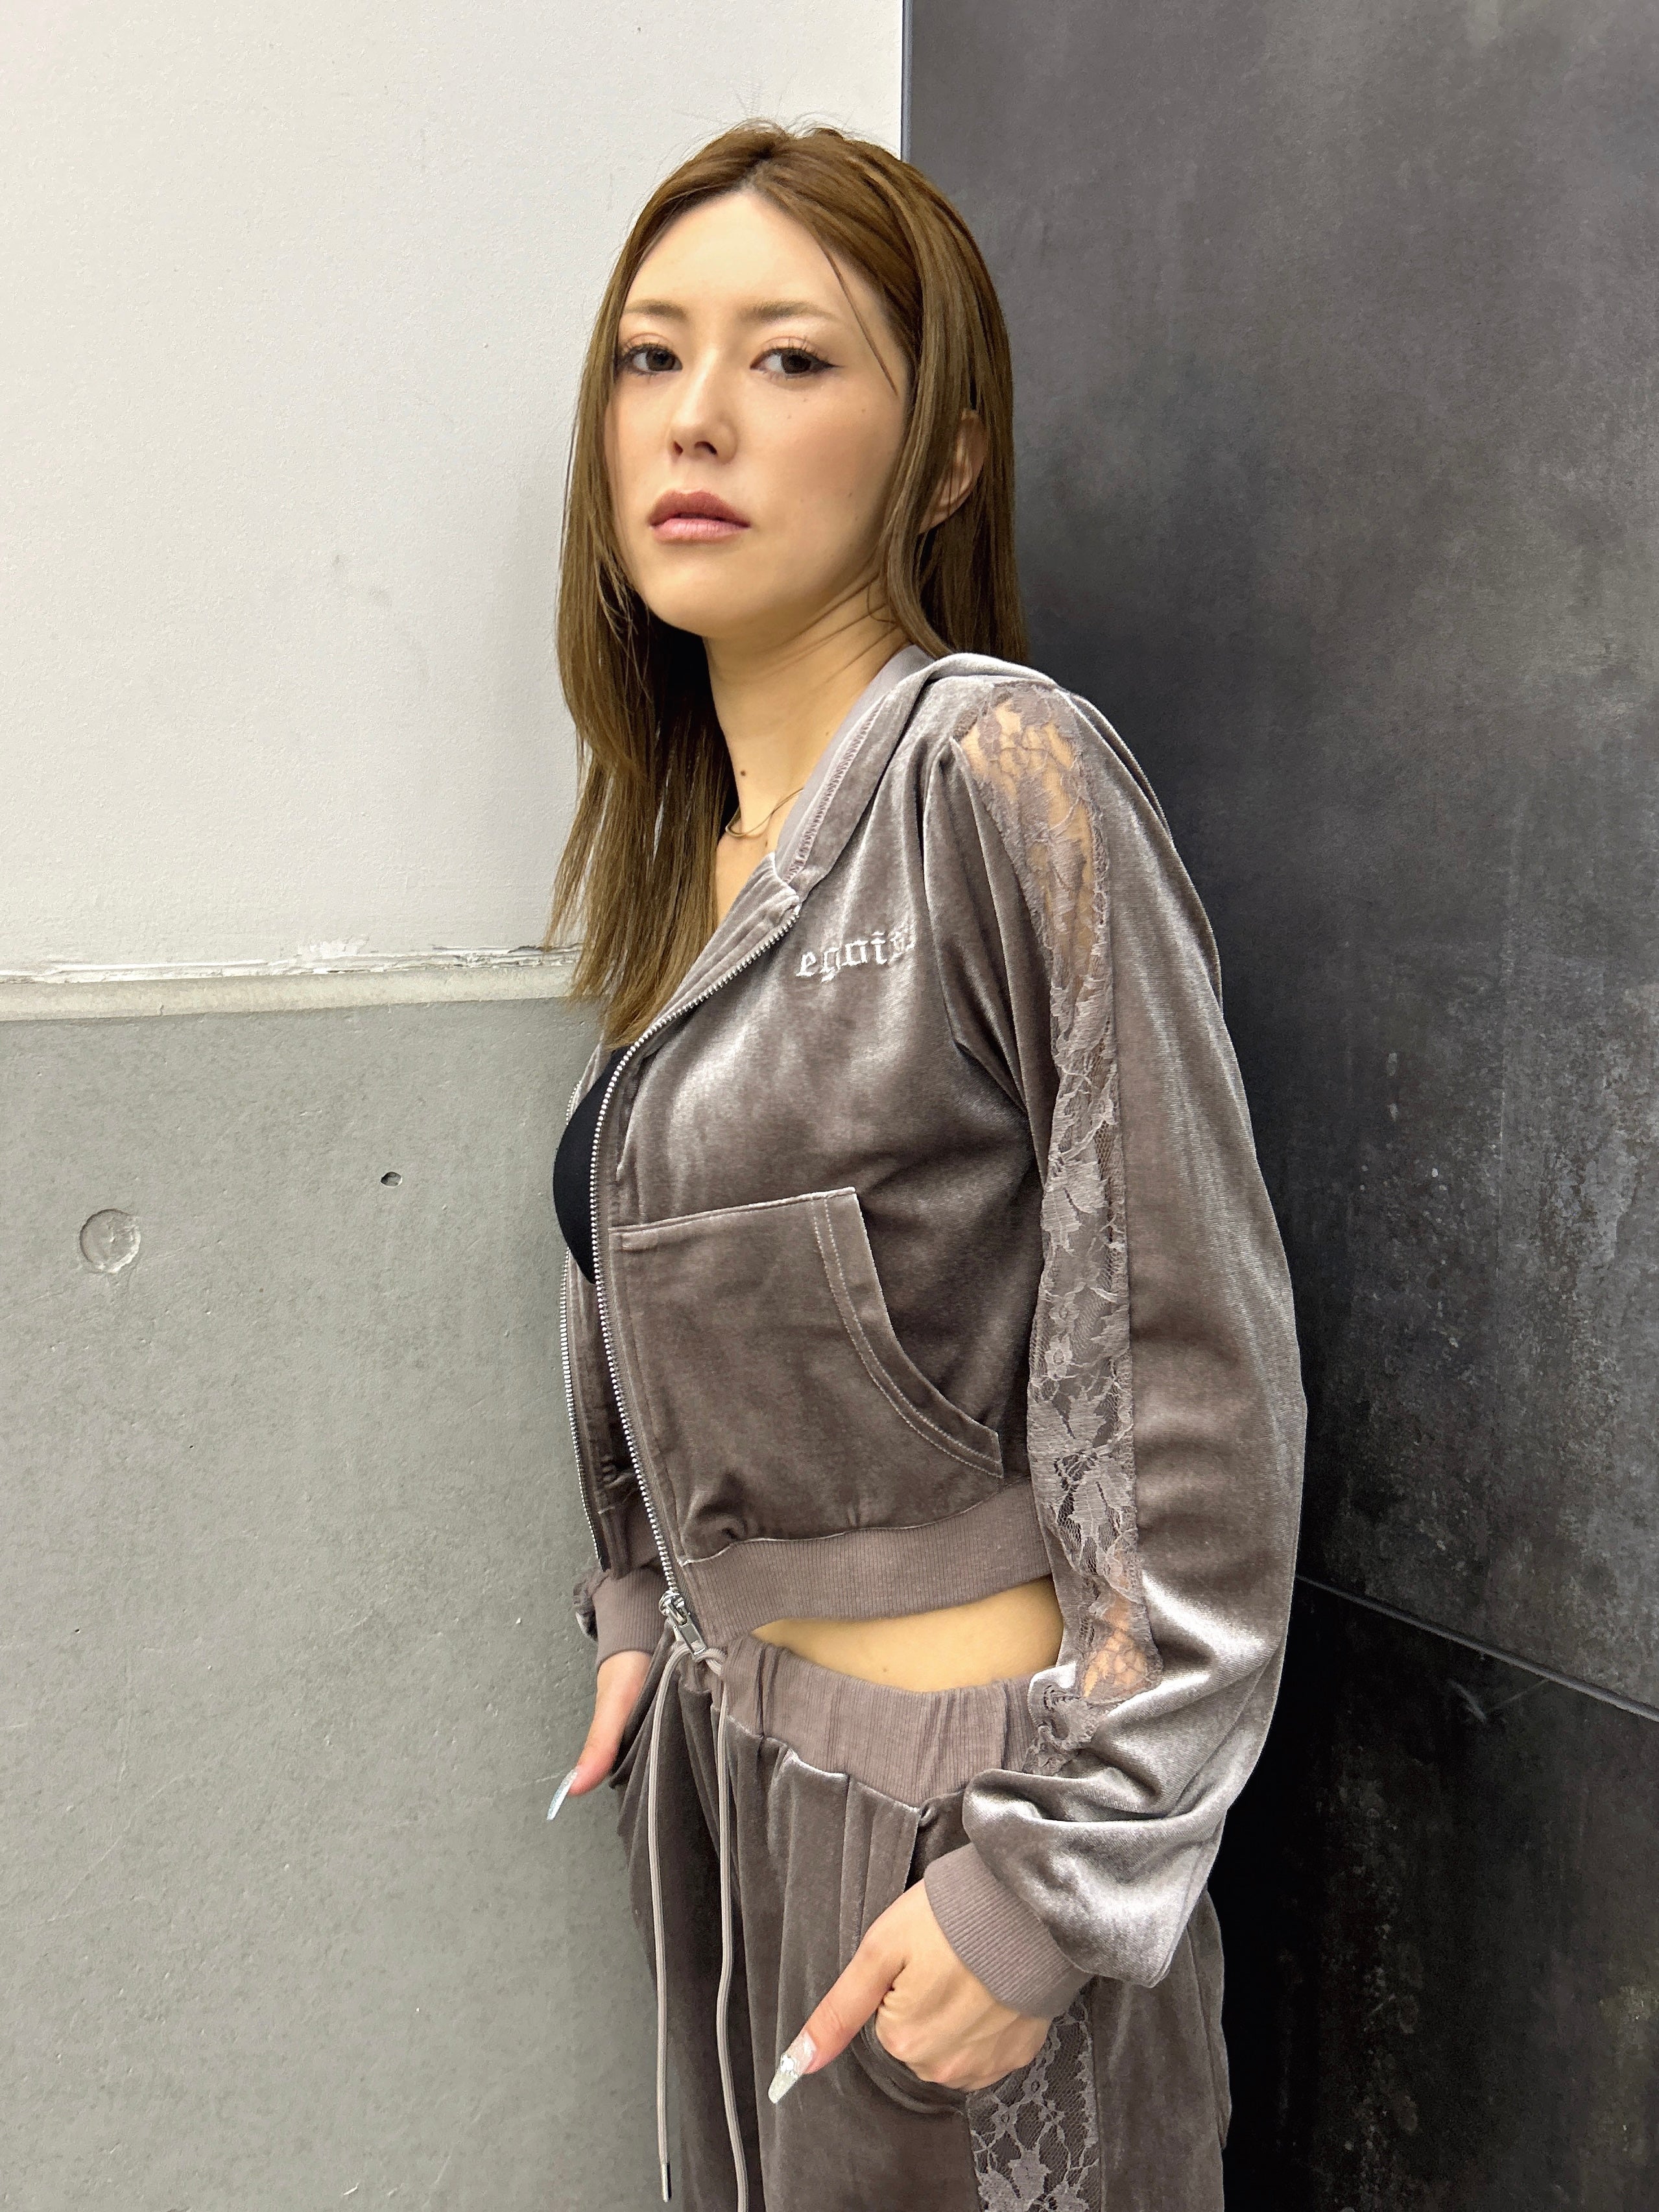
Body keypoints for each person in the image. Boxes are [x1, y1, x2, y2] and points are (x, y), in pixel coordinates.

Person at [542, 119, 1304, 2212]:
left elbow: (1187, 1370)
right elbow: (683, 1298)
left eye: (790, 358)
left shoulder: (1000, 770)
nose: (695, 416)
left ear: (946, 453)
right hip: (737, 1793)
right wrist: (648, 1594)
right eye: (648, 355)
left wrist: (1054, 1882)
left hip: (967, 1836)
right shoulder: (685, 865)